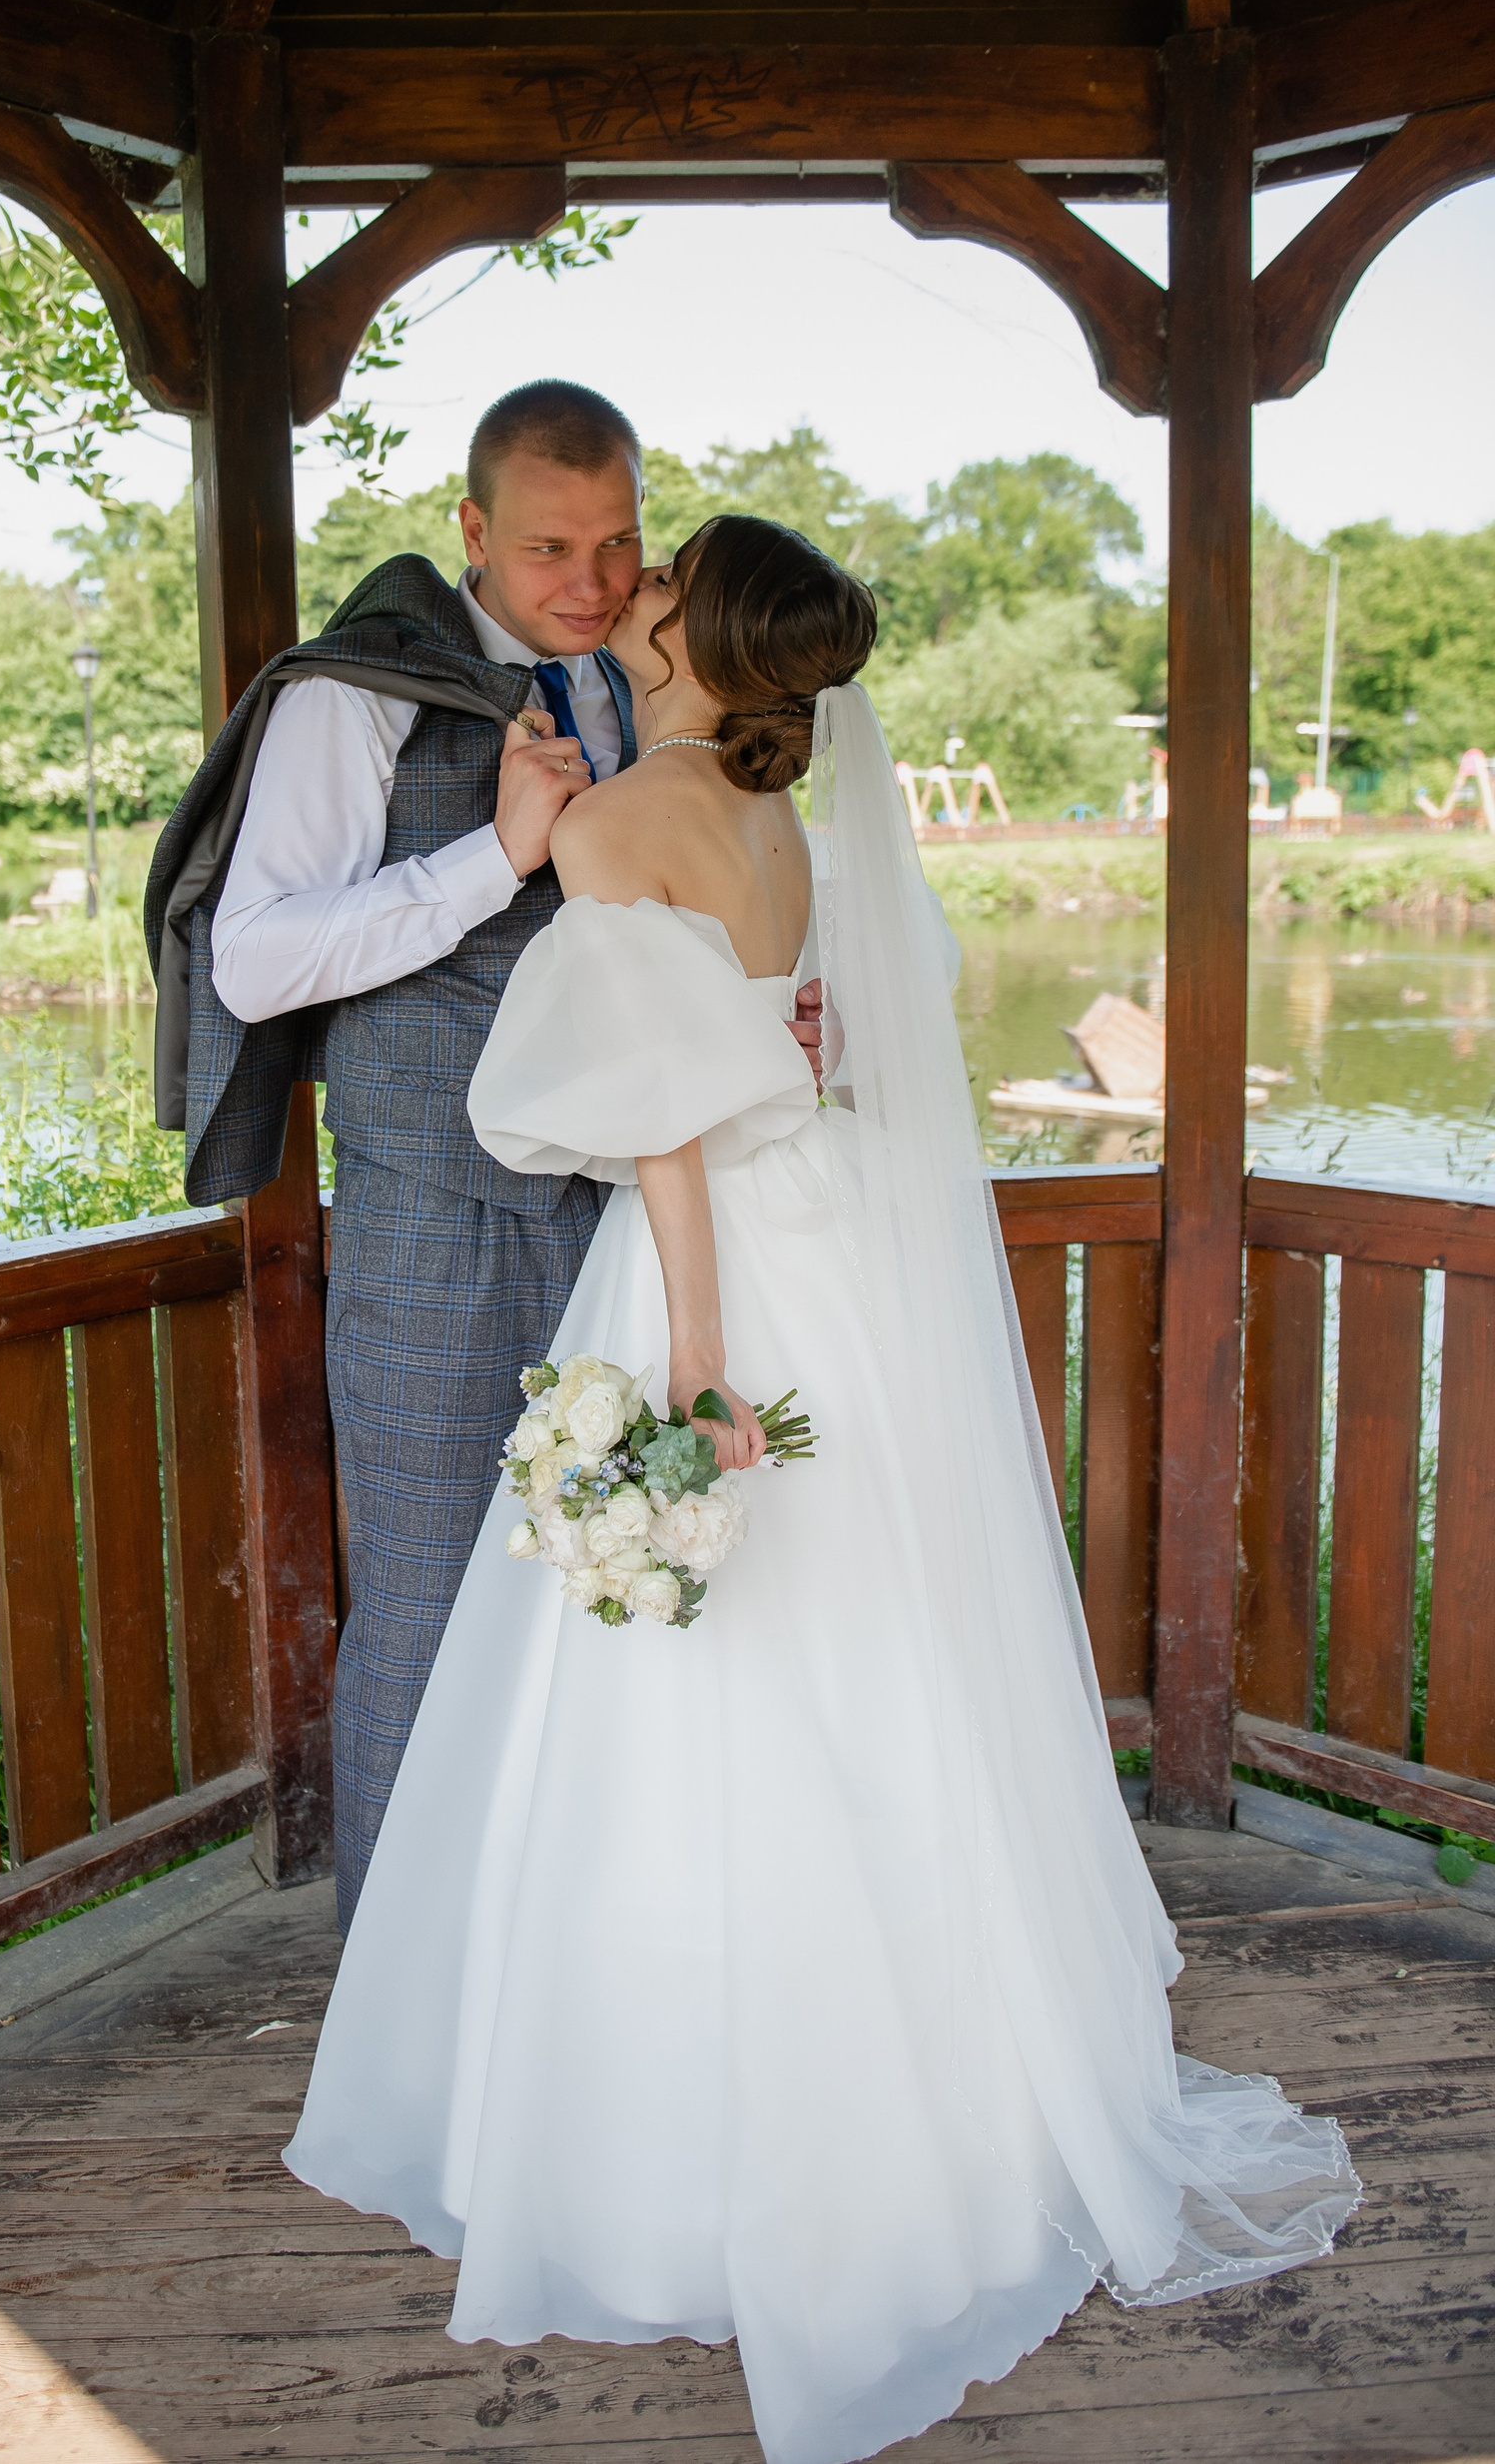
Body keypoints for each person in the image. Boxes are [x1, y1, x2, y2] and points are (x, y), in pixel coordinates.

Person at [284, 516, 1359, 2464]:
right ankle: (944, 2094)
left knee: (694, 1663)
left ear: (693, 636)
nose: (632, 596)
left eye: (659, 581)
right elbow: (790, 1046)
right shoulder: (783, 822)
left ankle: (673, 2144)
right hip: (833, 1243)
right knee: (866, 1649)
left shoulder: (624, 824)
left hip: (715, 1262)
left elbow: (663, 1118)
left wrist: (696, 1353)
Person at [143, 383, 824, 1925]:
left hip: (635, 1231)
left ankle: (567, 1966)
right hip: (434, 1224)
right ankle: (402, 1983)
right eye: (546, 549)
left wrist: (780, 1008)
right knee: (430, 1609)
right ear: (471, 529)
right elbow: (254, 960)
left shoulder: (647, 685)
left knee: (609, 1605)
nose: (590, 582)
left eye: (618, 543)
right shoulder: (356, 697)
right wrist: (494, 856)